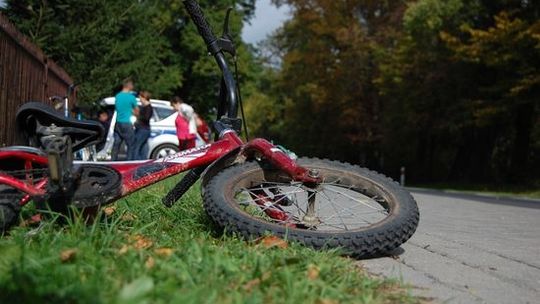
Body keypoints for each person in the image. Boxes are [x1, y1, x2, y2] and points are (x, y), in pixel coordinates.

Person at [112, 79, 139, 160]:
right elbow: (137, 111)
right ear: (129, 86)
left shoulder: (117, 96)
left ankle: (113, 161)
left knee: (116, 144)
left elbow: (117, 108)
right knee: (131, 145)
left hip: (118, 123)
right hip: (127, 123)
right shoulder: (131, 97)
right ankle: (129, 162)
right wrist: (132, 111)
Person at [133, 91, 153, 159]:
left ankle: (135, 163)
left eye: (140, 98)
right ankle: (142, 162)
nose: (140, 100)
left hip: (143, 129)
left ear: (144, 98)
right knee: (143, 149)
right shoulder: (144, 107)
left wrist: (137, 115)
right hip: (142, 129)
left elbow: (146, 118)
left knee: (136, 147)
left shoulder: (148, 107)